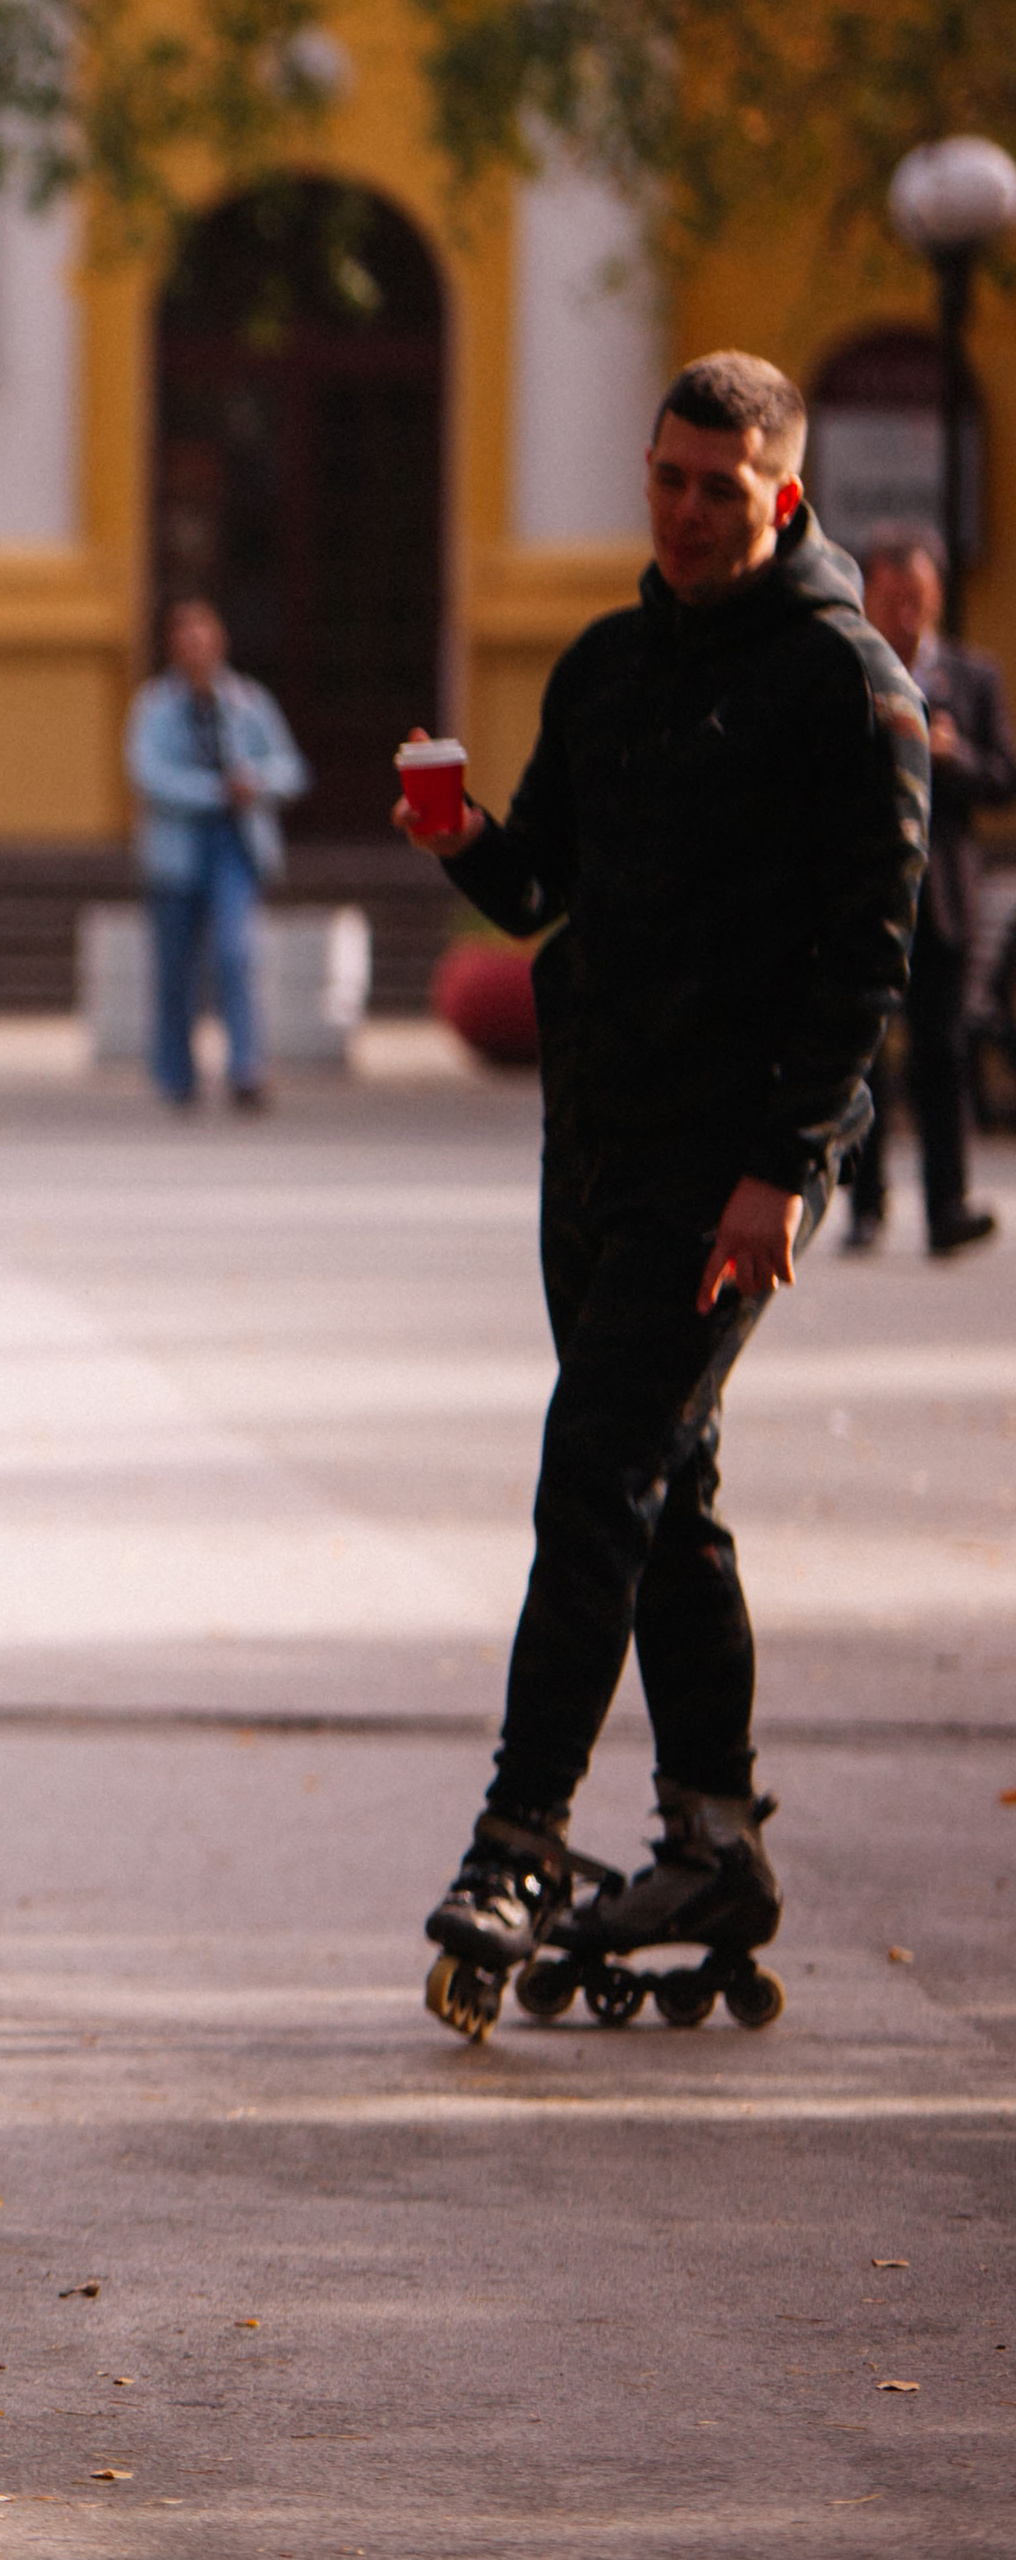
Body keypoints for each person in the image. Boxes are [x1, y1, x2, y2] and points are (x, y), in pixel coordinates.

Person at [393, 353, 927, 2041]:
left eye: (724, 488)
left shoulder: (849, 688)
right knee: (665, 1481)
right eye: (669, 479)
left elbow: (871, 960)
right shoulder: (612, 665)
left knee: (596, 1466)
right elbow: (548, 881)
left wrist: (789, 1167)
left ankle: (520, 1839)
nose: (690, 514)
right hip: (599, 1145)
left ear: (785, 493)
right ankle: (712, 1838)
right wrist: (459, 829)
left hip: (732, 1170)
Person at [841, 524, 1016, 1256]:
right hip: (862, 889)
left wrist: (955, 756)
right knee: (863, 1052)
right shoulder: (847, 669)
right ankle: (866, 1204)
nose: (905, 612)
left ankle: (947, 1204)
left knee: (942, 1049)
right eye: (891, 597)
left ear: (937, 595)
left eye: (917, 597)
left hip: (940, 895)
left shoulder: (971, 678)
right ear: (870, 597)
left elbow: (1004, 780)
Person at [124, 599, 310, 1107]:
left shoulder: (248, 700)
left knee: (235, 955)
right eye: (187, 641)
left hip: (235, 842)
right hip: (177, 847)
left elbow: (291, 769)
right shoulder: (155, 705)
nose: (197, 650)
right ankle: (175, 1075)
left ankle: (245, 1068)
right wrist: (213, 792)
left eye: (204, 639)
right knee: (175, 968)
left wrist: (255, 782)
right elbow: (147, 774)